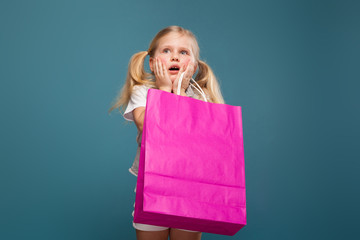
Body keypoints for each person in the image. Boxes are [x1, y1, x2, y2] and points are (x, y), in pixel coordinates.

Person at [109, 25, 224, 240]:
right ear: (152, 63)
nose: (175, 57)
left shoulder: (201, 98)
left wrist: (180, 91)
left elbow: (193, 140)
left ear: (194, 65)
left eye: (183, 52)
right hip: (152, 187)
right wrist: (163, 91)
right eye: (166, 51)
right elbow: (149, 127)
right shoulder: (142, 93)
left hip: (192, 190)